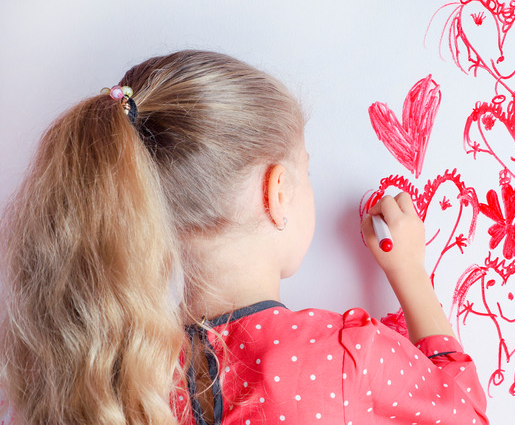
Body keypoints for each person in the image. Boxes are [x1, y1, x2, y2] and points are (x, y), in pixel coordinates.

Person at [0, 50, 488, 424]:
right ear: (277, 193)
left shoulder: (121, 373)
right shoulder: (342, 357)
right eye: (308, 173)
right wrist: (410, 274)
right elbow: (464, 409)